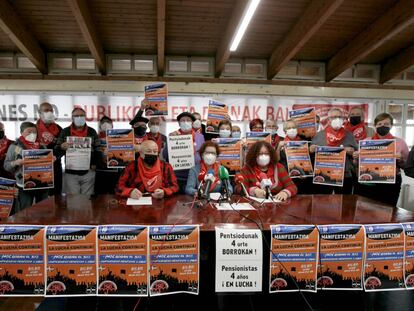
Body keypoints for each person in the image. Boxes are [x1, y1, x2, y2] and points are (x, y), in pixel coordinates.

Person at [355, 113, 409, 206]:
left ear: (391, 126)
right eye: (379, 124)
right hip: (369, 181)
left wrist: (400, 160)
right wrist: (356, 158)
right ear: (375, 126)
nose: (383, 126)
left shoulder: (400, 142)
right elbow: (358, 165)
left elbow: (407, 167)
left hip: (390, 183)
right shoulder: (366, 142)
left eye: (386, 124)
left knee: (388, 210)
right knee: (365, 210)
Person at [310, 107, 358, 194]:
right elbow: (311, 154)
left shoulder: (349, 135)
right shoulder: (319, 135)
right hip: (323, 175)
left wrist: (353, 153)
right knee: (322, 202)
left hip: (345, 176)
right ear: (328, 120)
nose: (337, 119)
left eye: (340, 117)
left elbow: (356, 155)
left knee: (345, 203)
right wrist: (311, 150)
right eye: (334, 117)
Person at [4, 122, 49, 213]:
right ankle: (27, 227)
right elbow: (6, 166)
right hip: (23, 185)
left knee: (43, 211)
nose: (32, 134)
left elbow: (47, 164)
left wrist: (51, 159)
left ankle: (42, 227)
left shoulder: (42, 146)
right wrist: (15, 163)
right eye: (29, 132)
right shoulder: (14, 147)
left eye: (34, 132)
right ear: (21, 132)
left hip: (42, 184)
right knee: (25, 211)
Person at [56, 107, 99, 195]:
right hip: (71, 172)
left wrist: (95, 163)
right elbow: (56, 150)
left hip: (88, 171)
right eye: (76, 116)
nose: (79, 117)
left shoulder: (92, 131)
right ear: (72, 118)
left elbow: (98, 149)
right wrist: (61, 147)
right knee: (73, 201)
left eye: (81, 115)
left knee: (87, 200)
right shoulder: (65, 131)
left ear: (85, 117)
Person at [166, 112, 205, 193]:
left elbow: (203, 154)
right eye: (183, 120)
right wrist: (170, 141)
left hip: (194, 176)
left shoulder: (200, 137)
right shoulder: (173, 135)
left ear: (192, 123)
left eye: (188, 120)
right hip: (177, 176)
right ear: (179, 123)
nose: (185, 122)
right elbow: (165, 155)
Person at [278, 120, 313, 194]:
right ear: (285, 131)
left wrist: (306, 173)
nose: (292, 129)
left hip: (303, 179)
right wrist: (279, 147)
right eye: (289, 128)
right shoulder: (281, 143)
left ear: (297, 129)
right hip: (287, 179)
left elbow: (309, 160)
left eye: (293, 127)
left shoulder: (305, 142)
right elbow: (277, 161)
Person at [36, 102, 63, 195]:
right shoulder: (33, 128)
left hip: (55, 166)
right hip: (38, 167)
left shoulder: (59, 129)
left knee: (56, 196)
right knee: (41, 198)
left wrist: (56, 156)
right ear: (39, 113)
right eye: (46, 110)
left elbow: (62, 147)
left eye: (51, 110)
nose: (50, 112)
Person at [94, 116, 122, 194]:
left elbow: (123, 153)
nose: (106, 124)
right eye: (103, 122)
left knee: (114, 195)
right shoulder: (95, 137)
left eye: (108, 122)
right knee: (99, 196)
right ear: (100, 125)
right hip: (100, 171)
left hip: (115, 171)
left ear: (112, 125)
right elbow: (92, 153)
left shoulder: (119, 137)